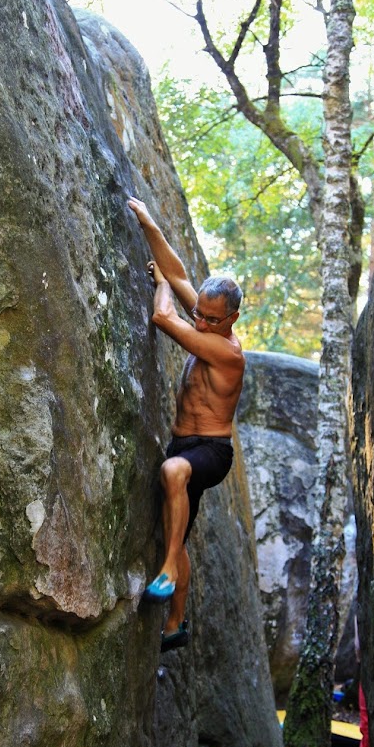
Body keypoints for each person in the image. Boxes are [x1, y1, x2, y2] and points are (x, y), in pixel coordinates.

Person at [128, 196, 245, 652]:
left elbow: (163, 314)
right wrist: (149, 222)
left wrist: (160, 286)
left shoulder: (227, 351)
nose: (202, 321)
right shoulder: (205, 319)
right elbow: (176, 270)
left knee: (173, 473)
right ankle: (175, 623)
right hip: (184, 441)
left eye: (212, 319)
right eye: (199, 312)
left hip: (210, 452)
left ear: (231, 318)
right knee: (181, 524)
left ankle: (168, 567)